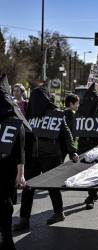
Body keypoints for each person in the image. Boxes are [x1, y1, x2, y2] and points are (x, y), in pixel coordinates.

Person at [14, 86, 79, 231]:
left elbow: (66, 133)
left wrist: (73, 151)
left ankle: (58, 212)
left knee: (53, 187)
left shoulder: (56, 114)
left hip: (51, 156)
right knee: (27, 188)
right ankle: (24, 219)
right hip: (32, 157)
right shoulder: (29, 114)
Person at [0, 74, 26, 250]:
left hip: (6, 171)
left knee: (6, 206)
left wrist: (21, 175)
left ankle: (7, 240)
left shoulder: (15, 123)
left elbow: (19, 151)